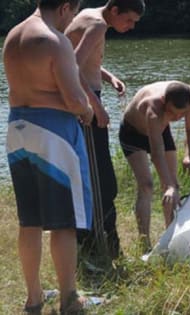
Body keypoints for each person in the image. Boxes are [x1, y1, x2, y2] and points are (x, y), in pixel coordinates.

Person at [3, 0, 95, 313]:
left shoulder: (13, 35)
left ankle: (33, 299)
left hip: (17, 127)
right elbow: (72, 99)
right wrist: (88, 108)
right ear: (66, 6)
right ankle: (69, 297)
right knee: (63, 222)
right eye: (73, 12)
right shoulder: (55, 40)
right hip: (52, 132)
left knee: (30, 221)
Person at [64, 0, 145, 259]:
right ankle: (105, 247)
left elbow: (80, 58)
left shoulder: (89, 14)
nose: (131, 27)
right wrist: (96, 106)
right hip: (83, 107)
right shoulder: (98, 25)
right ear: (114, 11)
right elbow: (72, 67)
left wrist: (108, 77)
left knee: (93, 175)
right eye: (129, 20)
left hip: (80, 101)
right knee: (102, 181)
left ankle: (92, 245)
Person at [119, 81, 190, 248]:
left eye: (181, 115)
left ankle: (171, 238)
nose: (176, 118)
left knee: (174, 187)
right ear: (164, 101)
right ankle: (145, 243)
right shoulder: (153, 107)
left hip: (161, 130)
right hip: (133, 133)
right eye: (172, 113)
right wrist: (167, 184)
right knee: (146, 185)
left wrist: (188, 156)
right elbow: (157, 152)